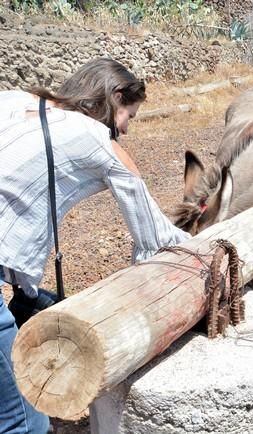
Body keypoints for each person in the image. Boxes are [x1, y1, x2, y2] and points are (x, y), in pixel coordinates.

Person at [0, 58, 190, 433]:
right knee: (25, 420)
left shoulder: (12, 99)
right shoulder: (94, 136)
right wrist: (197, 247)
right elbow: (156, 237)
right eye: (129, 117)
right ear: (115, 96)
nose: (125, 130)